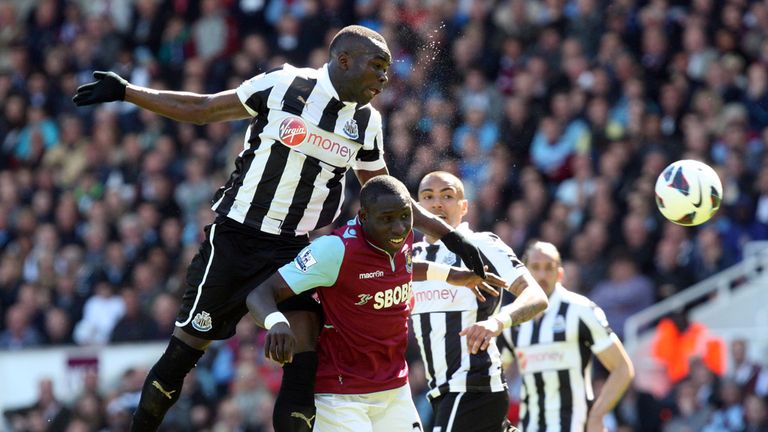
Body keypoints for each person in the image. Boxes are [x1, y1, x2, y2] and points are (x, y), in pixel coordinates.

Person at [73, 25, 487, 432]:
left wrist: (452, 236)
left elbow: (388, 196)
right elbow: (204, 109)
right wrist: (128, 92)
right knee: (184, 354)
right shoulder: (284, 85)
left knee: (304, 357)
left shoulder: (367, 122)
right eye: (376, 66)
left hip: (293, 248)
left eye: (387, 68)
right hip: (235, 238)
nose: (384, 77)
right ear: (343, 60)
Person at [246, 175, 507, 432]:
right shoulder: (334, 250)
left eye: (405, 217)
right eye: (386, 220)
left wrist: (454, 276)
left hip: (394, 386)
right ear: (363, 216)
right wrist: (277, 322)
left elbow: (400, 266)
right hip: (341, 394)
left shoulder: (400, 236)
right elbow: (260, 294)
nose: (398, 228)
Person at [410, 171, 549, 432]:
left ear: (464, 207)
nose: (437, 203)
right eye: (428, 197)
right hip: (440, 392)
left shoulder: (482, 245)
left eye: (447, 196)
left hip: (474, 387)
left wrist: (497, 322)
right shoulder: (411, 258)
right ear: (418, 209)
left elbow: (537, 297)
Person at [500, 241, 635, 432]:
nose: (542, 275)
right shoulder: (511, 317)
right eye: (536, 268)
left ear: (560, 274)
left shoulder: (580, 310)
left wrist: (597, 415)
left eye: (549, 268)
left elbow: (622, 368)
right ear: (525, 274)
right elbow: (493, 376)